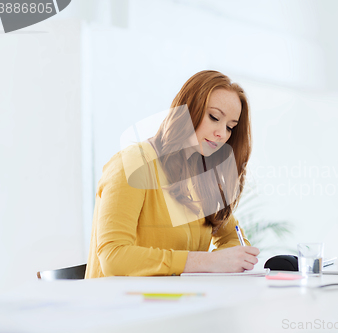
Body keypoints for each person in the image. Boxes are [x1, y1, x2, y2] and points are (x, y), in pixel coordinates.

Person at [85, 70, 259, 278]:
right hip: (120, 305)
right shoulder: (133, 163)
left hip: (175, 302)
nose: (222, 134)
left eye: (230, 127)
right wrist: (207, 262)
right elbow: (113, 258)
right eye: (214, 117)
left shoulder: (202, 177)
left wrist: (226, 260)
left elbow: (233, 239)